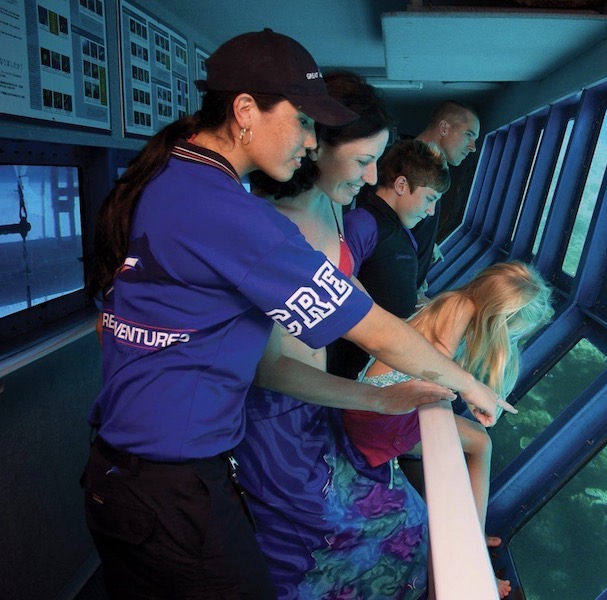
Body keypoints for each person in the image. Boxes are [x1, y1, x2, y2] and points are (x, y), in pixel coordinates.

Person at [81, 30, 507, 599]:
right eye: (303, 121)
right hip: (170, 486)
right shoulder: (234, 215)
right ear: (245, 111)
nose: (310, 141)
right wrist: (467, 385)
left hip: (126, 473)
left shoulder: (169, 178)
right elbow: (371, 328)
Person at [238, 72, 434, 600]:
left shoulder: (335, 205)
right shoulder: (270, 226)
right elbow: (273, 369)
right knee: (329, 542)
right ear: (316, 143)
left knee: (406, 515)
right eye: (364, 160)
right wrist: (380, 396)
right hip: (279, 424)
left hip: (319, 411)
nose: (372, 179)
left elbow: (353, 300)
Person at [343, 260, 554, 600]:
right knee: (480, 443)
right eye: (513, 332)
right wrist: (469, 389)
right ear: (500, 319)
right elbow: (431, 363)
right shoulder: (461, 307)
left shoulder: (455, 301)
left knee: (477, 442)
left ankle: (473, 533)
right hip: (376, 418)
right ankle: (474, 544)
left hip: (372, 410)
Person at [327, 139, 450, 380]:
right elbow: (337, 296)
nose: (431, 211)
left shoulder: (404, 233)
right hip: (347, 366)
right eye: (430, 199)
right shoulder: (361, 225)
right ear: (401, 185)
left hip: (379, 362)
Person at [411, 100, 481, 294]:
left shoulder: (432, 169)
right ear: (444, 128)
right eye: (468, 135)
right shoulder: (409, 166)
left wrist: (427, 247)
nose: (473, 147)